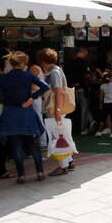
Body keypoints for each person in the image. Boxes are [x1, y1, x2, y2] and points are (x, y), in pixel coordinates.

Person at [0, 52, 50, 184]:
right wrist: (31, 98)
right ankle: (40, 171)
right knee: (33, 144)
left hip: (10, 113)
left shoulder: (3, 78)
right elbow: (45, 87)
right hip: (26, 112)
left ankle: (21, 175)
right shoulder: (28, 75)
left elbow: (0, 98)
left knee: (16, 145)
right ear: (23, 63)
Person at [40, 48, 76, 176]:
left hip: (56, 108)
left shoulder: (53, 72)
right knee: (63, 134)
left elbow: (58, 92)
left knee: (57, 136)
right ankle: (69, 162)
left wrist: (57, 110)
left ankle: (63, 166)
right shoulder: (58, 70)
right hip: (59, 108)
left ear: (44, 61)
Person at [64, 48, 93, 135]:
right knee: (84, 107)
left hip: (71, 87)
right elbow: (88, 76)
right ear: (83, 53)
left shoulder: (69, 63)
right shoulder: (83, 63)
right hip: (81, 87)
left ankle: (91, 121)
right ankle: (83, 127)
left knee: (76, 108)